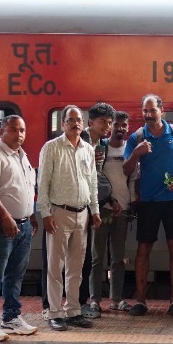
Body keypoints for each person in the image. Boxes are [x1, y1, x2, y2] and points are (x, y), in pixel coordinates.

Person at [123, 94, 173, 317]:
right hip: (148, 201)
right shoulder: (136, 137)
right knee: (143, 250)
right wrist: (137, 153)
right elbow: (126, 169)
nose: (148, 114)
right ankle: (140, 301)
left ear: (162, 111)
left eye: (152, 110)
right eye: (145, 111)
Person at [37, 105, 100, 332]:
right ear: (62, 124)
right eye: (71, 120)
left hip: (82, 214)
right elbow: (43, 183)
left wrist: (95, 211)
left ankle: (73, 311)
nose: (75, 124)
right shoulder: (51, 147)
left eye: (79, 120)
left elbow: (92, 182)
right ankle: (54, 312)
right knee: (55, 266)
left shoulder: (87, 149)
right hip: (59, 213)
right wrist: (45, 214)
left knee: (76, 266)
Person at [0, 114, 39, 340]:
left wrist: (31, 214)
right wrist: (5, 216)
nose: (18, 134)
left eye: (22, 130)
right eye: (13, 130)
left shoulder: (22, 156)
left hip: (22, 225)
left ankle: (11, 317)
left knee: (15, 275)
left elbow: (24, 188)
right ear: (1, 132)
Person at [94, 111, 135, 312]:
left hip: (123, 210)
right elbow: (95, 177)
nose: (120, 128)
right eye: (116, 125)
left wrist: (132, 202)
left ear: (128, 127)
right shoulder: (101, 148)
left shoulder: (129, 150)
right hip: (102, 209)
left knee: (118, 259)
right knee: (96, 257)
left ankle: (116, 299)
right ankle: (94, 300)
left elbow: (133, 178)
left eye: (123, 125)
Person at [81, 102, 117, 319]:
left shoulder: (102, 144)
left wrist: (109, 199)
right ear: (91, 122)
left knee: (86, 255)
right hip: (76, 204)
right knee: (76, 256)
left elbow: (97, 176)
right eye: (103, 122)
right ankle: (62, 306)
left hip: (92, 204)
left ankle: (82, 302)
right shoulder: (79, 140)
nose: (107, 126)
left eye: (110, 122)